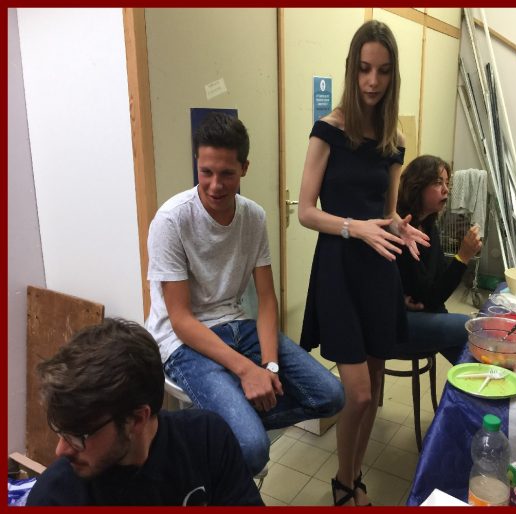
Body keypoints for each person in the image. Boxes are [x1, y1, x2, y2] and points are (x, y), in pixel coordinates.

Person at [145, 112, 344, 477]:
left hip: (238, 326)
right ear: (197, 163)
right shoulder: (172, 220)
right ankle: (228, 434)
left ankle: (221, 432)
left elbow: (266, 299)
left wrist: (268, 366)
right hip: (182, 341)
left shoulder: (253, 217)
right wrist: (246, 370)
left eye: (226, 173)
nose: (215, 185)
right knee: (253, 448)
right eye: (206, 172)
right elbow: (181, 320)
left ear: (244, 168)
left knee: (331, 396)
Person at [298, 20, 430, 506]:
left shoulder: (393, 139)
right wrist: (356, 227)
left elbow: (387, 211)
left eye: (384, 71)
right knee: (355, 393)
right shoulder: (328, 130)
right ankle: (342, 479)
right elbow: (306, 211)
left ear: (393, 75)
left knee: (373, 388)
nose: (373, 81)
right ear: (352, 69)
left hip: (378, 269)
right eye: (365, 69)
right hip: (338, 268)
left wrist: (399, 226)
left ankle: (354, 480)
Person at [26, 318, 263, 506]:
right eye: (61, 431)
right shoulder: (54, 498)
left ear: (137, 419)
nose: (61, 450)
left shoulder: (207, 439)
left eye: (78, 436)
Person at [396, 155, 483, 364]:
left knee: (474, 355)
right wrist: (463, 257)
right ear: (417, 186)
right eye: (437, 182)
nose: (446, 190)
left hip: (426, 312)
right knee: (470, 328)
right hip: (396, 323)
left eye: (447, 183)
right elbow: (432, 296)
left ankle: (481, 382)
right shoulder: (402, 228)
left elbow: (437, 284)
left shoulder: (428, 224)